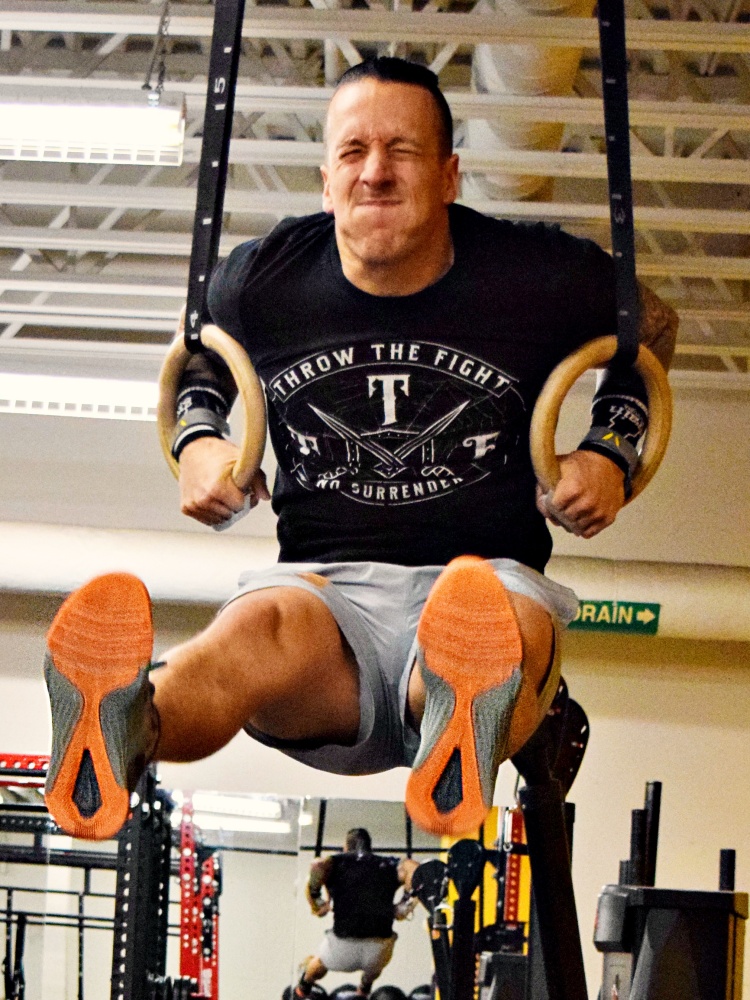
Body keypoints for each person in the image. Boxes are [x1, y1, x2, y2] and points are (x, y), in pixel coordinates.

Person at [42, 57, 677, 843]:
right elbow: (197, 357)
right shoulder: (264, 279)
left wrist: (610, 449)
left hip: (482, 576)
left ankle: (453, 703)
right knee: (248, 637)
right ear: (325, 178)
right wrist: (201, 437)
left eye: (402, 152)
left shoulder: (536, 274)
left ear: (449, 175)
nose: (374, 173)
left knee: (495, 615)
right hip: (324, 608)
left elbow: (649, 330)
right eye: (353, 153)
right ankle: (131, 721)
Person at [290, 827, 417, 999]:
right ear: (369, 846)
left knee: (318, 963)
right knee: (374, 968)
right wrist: (405, 905)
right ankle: (365, 988)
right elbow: (414, 869)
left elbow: (317, 865)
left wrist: (317, 901)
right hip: (378, 948)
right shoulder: (389, 864)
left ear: (345, 847)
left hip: (342, 946)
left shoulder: (337, 862)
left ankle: (302, 989)